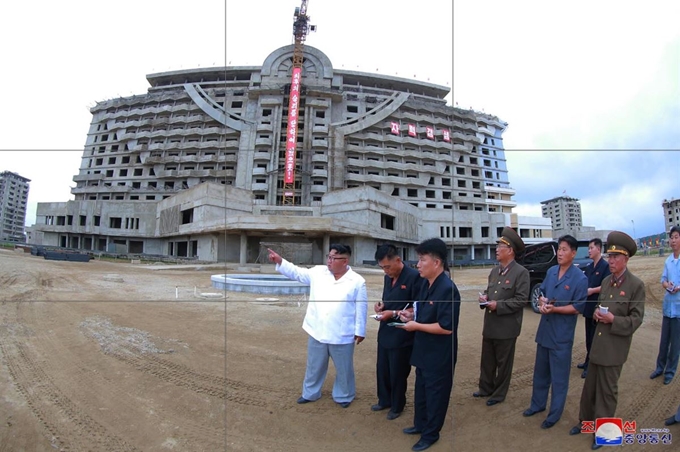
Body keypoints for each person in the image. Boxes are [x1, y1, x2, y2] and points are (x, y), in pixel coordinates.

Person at [568, 231, 645, 450]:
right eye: (609, 257)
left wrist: (613, 319)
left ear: (626, 259)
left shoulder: (635, 285)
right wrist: (596, 315)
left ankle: (604, 433)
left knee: (607, 393)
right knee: (589, 389)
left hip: (615, 348)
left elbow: (636, 319)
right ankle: (585, 423)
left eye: (615, 257)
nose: (611, 261)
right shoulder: (606, 281)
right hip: (599, 346)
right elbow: (599, 307)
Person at [267, 244, 367, 408]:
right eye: (329, 257)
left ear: (345, 261)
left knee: (344, 368)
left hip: (342, 332)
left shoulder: (357, 281)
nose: (329, 261)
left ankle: (344, 395)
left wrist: (360, 331)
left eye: (334, 258)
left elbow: (361, 308)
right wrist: (280, 260)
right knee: (314, 365)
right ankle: (310, 393)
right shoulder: (318, 272)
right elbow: (297, 273)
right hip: (317, 329)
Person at [398, 238, 459, 452]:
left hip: (440, 354)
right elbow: (422, 311)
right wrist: (411, 314)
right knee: (422, 390)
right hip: (423, 349)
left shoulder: (447, 289)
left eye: (422, 259)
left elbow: (447, 327)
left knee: (436, 394)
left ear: (437, 262)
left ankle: (431, 434)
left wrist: (416, 326)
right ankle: (420, 424)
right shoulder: (426, 284)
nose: (418, 264)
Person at [523, 235, 587, 429]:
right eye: (559, 249)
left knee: (559, 378)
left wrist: (555, 309)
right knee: (540, 372)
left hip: (561, 335)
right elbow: (542, 292)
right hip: (545, 331)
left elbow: (577, 307)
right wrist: (543, 302)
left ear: (573, 253)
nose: (560, 253)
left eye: (564, 249)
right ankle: (537, 404)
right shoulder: (551, 271)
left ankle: (554, 414)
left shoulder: (580, 279)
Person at [475, 227, 530, 406]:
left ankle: (498, 394)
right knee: (487, 360)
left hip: (507, 327)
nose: (497, 249)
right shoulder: (494, 272)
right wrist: (484, 297)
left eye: (500, 246)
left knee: (503, 363)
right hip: (490, 324)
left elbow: (521, 300)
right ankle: (485, 388)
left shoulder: (521, 273)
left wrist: (498, 305)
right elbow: (490, 291)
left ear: (510, 250)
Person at [371, 244, 421, 420]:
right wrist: (381, 306)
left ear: (398, 260)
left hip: (403, 333)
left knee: (398, 371)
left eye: (387, 266)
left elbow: (417, 309)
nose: (386, 271)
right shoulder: (387, 278)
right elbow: (388, 299)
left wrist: (393, 313)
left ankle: (397, 405)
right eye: (382, 267)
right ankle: (384, 399)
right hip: (385, 330)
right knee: (382, 368)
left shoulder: (414, 277)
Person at [578, 238, 611, 379]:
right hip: (588, 306)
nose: (589, 250)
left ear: (599, 249)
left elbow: (607, 285)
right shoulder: (590, 267)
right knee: (588, 338)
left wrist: (592, 290)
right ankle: (587, 361)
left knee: (594, 338)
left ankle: (591, 366)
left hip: (597, 305)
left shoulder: (605, 267)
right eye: (589, 248)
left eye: (591, 248)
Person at [651, 225, 680, 385]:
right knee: (664, 341)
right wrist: (666, 284)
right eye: (671, 237)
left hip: (678, 308)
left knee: (675, 343)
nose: (673, 240)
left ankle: (670, 371)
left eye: (676, 237)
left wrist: (678, 287)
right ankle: (659, 367)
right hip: (668, 306)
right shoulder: (668, 260)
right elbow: (663, 279)